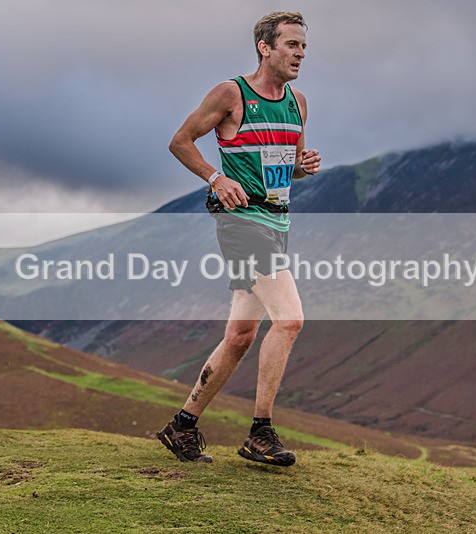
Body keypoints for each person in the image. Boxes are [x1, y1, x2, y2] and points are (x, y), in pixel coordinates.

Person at [157, 11, 321, 466]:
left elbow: (282, 170)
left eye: (304, 47)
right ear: (265, 48)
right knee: (289, 321)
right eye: (292, 45)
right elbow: (180, 141)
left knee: (241, 335)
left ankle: (182, 425)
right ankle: (260, 433)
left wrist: (301, 168)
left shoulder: (298, 103)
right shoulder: (232, 94)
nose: (301, 54)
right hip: (240, 224)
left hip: (278, 223)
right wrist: (215, 177)